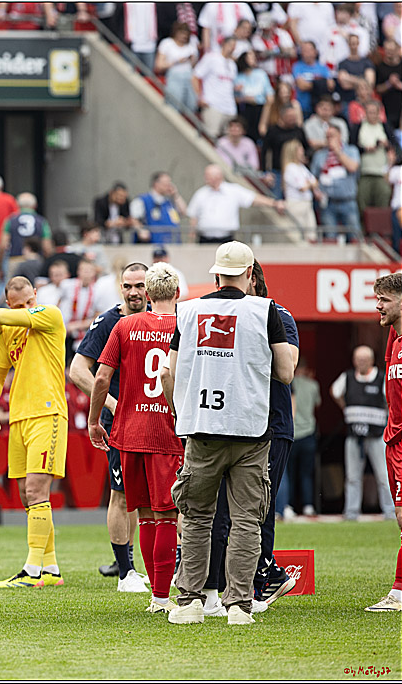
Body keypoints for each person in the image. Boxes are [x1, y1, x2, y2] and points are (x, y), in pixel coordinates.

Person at [162, 241, 294, 626]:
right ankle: (239, 605)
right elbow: (285, 373)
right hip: (251, 430)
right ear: (251, 274)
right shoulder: (265, 310)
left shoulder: (187, 310)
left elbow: (168, 374)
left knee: (198, 517)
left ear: (215, 275)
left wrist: (180, 411)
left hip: (202, 428)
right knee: (247, 521)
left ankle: (189, 602)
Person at [202, 260, 301, 615]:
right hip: (236, 423)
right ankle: (245, 580)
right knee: (228, 509)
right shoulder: (226, 314)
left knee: (259, 507)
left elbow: (288, 365)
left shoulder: (276, 313)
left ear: (251, 279)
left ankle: (261, 583)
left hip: (271, 424)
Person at [88, 262, 183, 612]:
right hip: (168, 432)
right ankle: (162, 595)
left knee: (143, 515)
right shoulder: (185, 325)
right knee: (167, 517)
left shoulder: (125, 325)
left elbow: (100, 379)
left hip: (128, 432)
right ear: (175, 293)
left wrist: (95, 419)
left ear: (147, 293)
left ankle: (153, 595)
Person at [0, 276, 69, 588]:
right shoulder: (8, 331)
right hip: (18, 417)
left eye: (28, 303)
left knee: (35, 490)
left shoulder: (49, 314)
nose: (25, 309)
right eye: (17, 305)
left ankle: (31, 572)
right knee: (26, 496)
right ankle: (50, 568)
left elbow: (1, 316)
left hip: (48, 412)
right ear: (9, 303)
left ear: (35, 296)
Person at [69, 263, 151, 586]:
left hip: (155, 420)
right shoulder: (108, 322)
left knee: (154, 497)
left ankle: (144, 566)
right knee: (121, 493)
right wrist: (113, 406)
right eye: (128, 286)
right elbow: (77, 370)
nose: (134, 292)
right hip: (119, 423)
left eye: (140, 286)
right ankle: (125, 570)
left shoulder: (165, 319)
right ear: (120, 287)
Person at [366, 272, 402, 612]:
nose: (378, 305)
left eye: (385, 299)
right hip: (392, 440)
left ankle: (398, 591)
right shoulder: (393, 339)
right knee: (400, 518)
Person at [331, 345, 395, 520]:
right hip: (354, 436)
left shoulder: (381, 378)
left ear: (372, 361)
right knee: (352, 477)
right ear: (354, 360)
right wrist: (347, 409)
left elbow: (391, 399)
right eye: (358, 360)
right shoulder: (348, 377)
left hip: (377, 435)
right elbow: (335, 391)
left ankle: (390, 511)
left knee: (384, 476)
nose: (361, 363)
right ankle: (351, 513)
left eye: (364, 360)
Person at [187, 164, 285, 243]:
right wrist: (191, 239)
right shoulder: (200, 193)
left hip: (226, 239)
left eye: (208, 176)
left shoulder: (233, 190)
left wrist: (274, 203)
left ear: (218, 176)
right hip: (204, 240)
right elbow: (194, 217)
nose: (205, 179)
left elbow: (253, 199)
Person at [279, 363, 321, 518]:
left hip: (291, 433)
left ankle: (288, 505)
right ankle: (308, 505)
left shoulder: (288, 383)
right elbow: (317, 403)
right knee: (306, 473)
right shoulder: (313, 385)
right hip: (308, 433)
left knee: (287, 473)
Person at [311, 126, 362, 240]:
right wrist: (316, 192)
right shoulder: (319, 155)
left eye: (332, 136)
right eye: (327, 136)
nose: (329, 139)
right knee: (330, 238)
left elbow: (352, 167)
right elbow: (313, 179)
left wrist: (337, 151)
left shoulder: (351, 150)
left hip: (348, 201)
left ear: (340, 136)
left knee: (354, 237)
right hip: (328, 203)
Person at [192, 36, 238, 138]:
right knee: (211, 136)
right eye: (230, 45)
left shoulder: (233, 65)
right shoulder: (211, 58)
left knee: (228, 140)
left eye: (234, 46)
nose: (232, 48)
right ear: (224, 44)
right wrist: (199, 97)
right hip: (213, 105)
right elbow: (195, 77)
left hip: (230, 107)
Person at [130, 172, 187, 244]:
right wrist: (140, 231)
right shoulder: (142, 200)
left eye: (170, 183)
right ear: (156, 184)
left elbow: (184, 212)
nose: (169, 186)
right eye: (166, 183)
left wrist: (175, 194)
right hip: (153, 246)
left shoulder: (170, 201)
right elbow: (133, 219)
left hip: (173, 243)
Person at [0, 193, 51, 271]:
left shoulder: (10, 220)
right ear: (35, 205)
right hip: (35, 261)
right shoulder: (42, 222)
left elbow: (2, 245)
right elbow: (47, 246)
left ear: (18, 205)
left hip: (15, 260)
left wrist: (0, 265)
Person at [156, 21, 199, 113]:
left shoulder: (191, 47)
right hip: (174, 75)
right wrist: (177, 61)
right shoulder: (167, 43)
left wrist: (192, 59)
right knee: (174, 104)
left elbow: (194, 67)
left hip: (189, 77)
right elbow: (159, 65)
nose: (184, 36)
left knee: (191, 105)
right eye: (182, 33)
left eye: (186, 34)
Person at [292, 41, 334, 115]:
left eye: (309, 50)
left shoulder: (323, 67)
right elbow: (302, 86)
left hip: (320, 109)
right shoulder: (297, 67)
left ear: (315, 51)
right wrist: (321, 83)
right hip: (304, 108)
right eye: (304, 50)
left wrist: (311, 84)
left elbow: (331, 85)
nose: (306, 53)